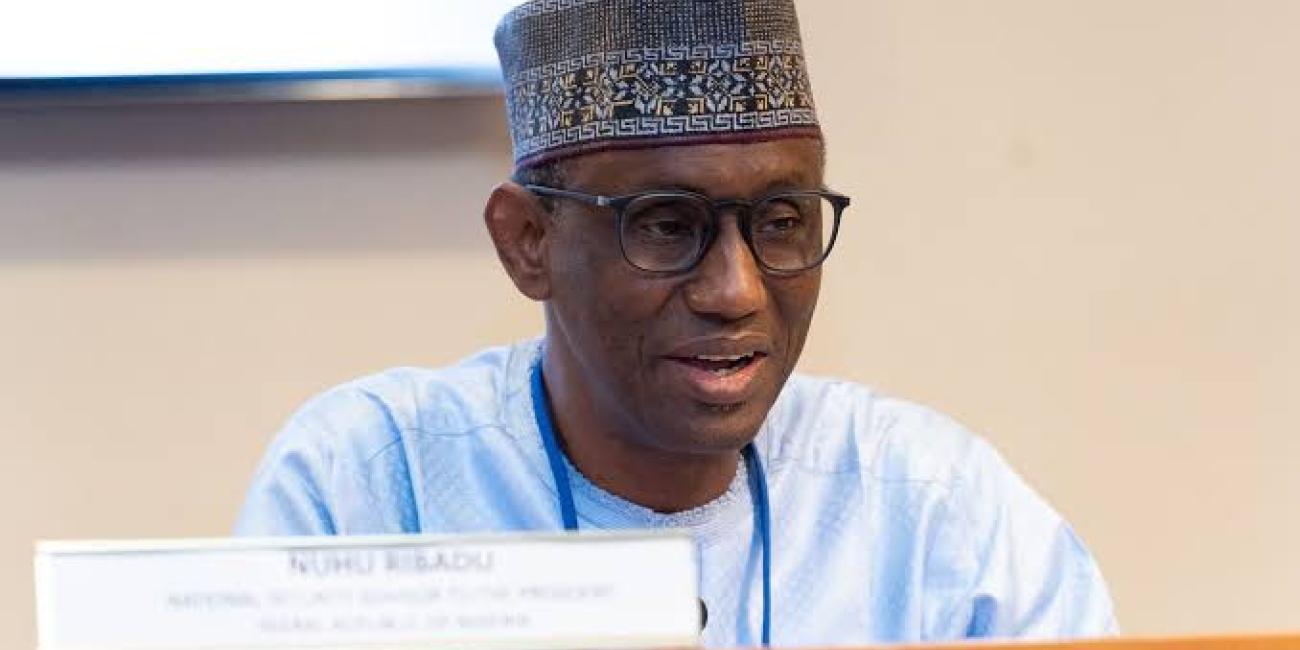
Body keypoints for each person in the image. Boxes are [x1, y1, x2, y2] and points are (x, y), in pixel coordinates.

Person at [236, 0, 1117, 645]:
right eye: (665, 225)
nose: (736, 290)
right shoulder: (373, 486)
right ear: (528, 241)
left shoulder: (932, 509)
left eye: (781, 220)